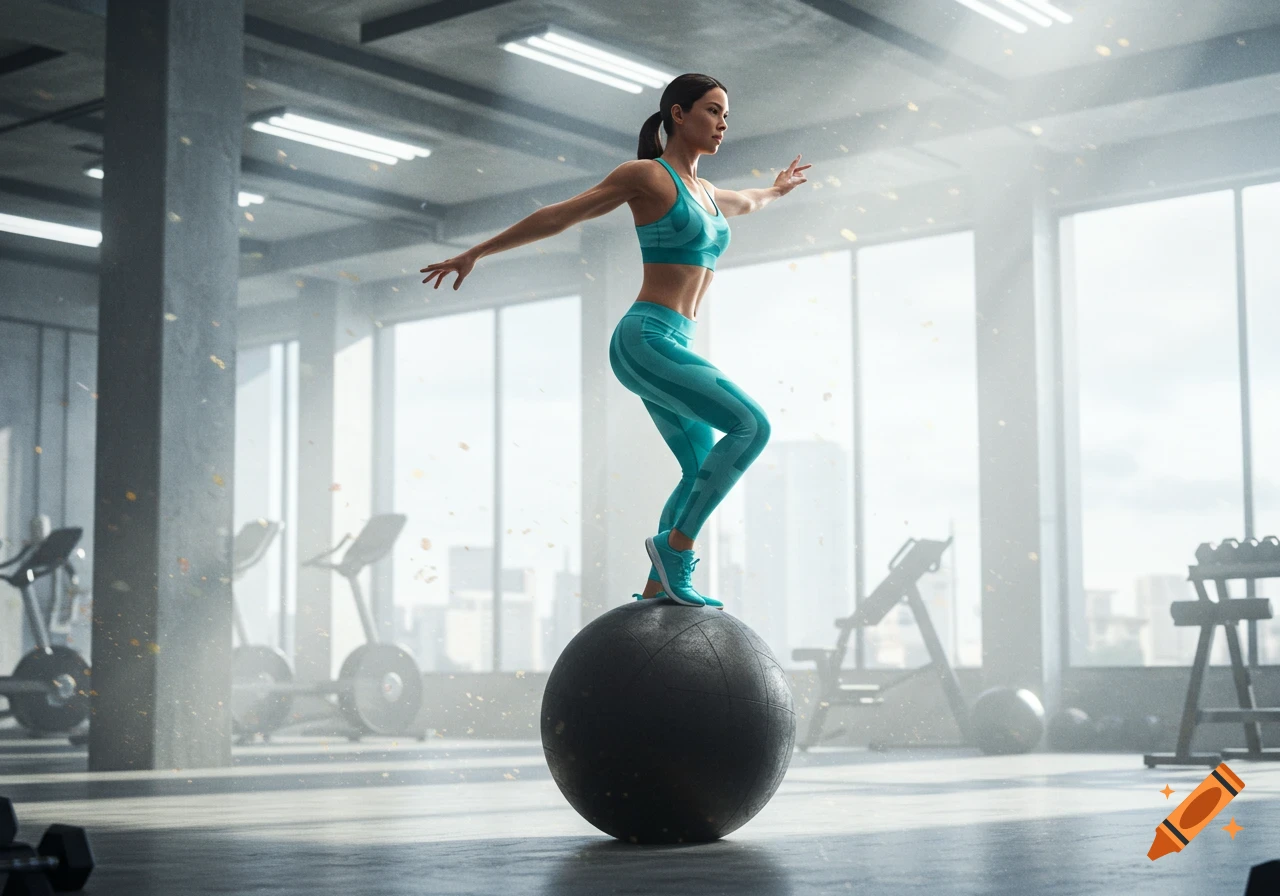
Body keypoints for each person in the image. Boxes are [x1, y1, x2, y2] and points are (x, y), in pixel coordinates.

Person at [420, 73, 811, 609]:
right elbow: (560, 215)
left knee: (700, 468)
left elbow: (749, 200)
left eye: (727, 115)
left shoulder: (710, 195)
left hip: (676, 343)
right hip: (645, 339)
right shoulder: (648, 177)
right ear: (678, 114)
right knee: (753, 425)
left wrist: (777, 189)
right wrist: (477, 253)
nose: (723, 123)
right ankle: (675, 552)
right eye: (713, 111)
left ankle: (657, 589)